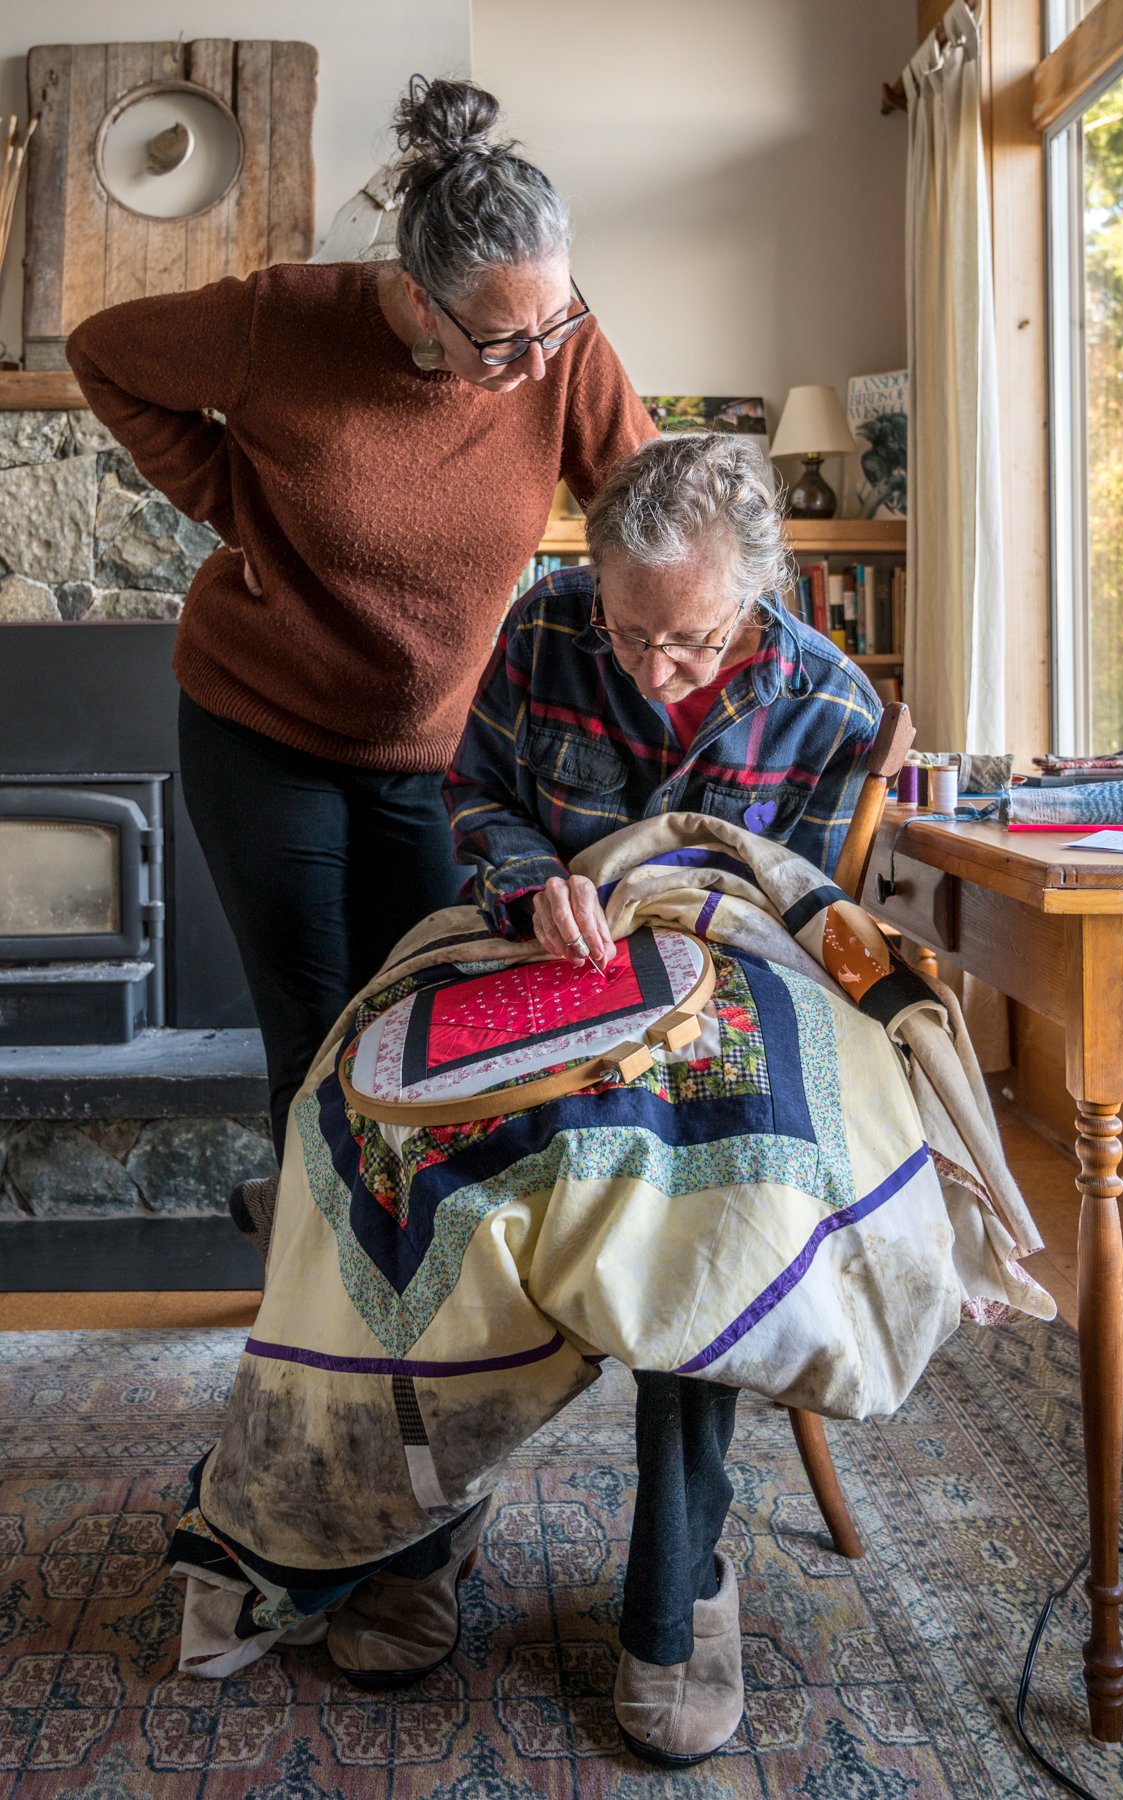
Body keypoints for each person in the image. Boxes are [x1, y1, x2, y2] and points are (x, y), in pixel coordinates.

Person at [66, 76, 654, 1234]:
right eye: (501, 340)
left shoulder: (552, 339)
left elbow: (647, 511)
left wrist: (751, 642)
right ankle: (323, 1333)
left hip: (443, 758)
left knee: (428, 1029)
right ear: (418, 301)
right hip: (263, 730)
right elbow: (101, 353)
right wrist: (229, 494)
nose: (538, 364)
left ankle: (391, 1271)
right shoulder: (277, 322)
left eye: (557, 325)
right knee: (318, 1033)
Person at [441, 431, 882, 1765]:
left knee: (702, 1200)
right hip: (545, 975)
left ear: (753, 593)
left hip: (713, 1022)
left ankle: (676, 1585)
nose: (648, 668)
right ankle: (419, 1522)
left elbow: (804, 929)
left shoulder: (831, 707)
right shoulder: (547, 629)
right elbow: (468, 794)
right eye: (627, 637)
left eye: (683, 643)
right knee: (401, 1144)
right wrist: (529, 879)